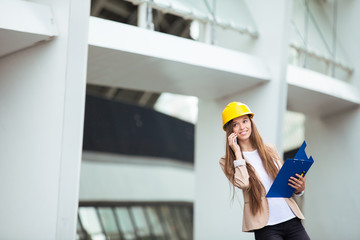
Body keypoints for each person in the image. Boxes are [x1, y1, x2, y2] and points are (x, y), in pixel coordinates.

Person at [219, 102, 310, 240]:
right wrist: (237, 153)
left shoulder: (269, 149)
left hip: (291, 218)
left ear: (251, 122)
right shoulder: (227, 161)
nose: (242, 127)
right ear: (229, 131)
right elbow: (243, 183)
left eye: (245, 121)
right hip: (266, 227)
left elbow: (283, 183)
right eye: (235, 124)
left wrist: (299, 189)